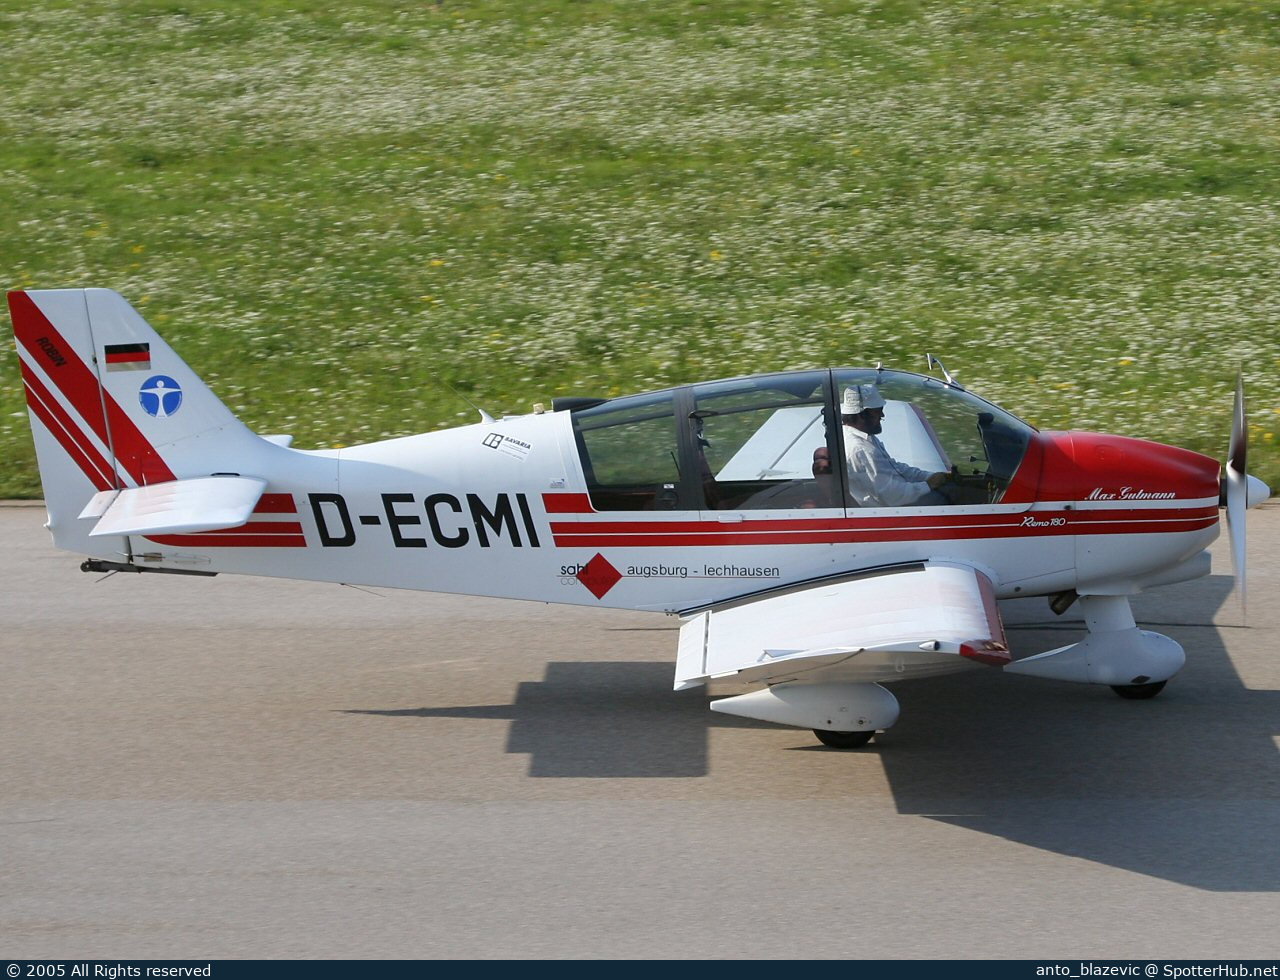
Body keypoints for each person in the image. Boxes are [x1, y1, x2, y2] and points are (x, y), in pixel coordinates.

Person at [841, 384, 951, 507]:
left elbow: (896, 469)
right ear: (861, 415)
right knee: (951, 496)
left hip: (899, 503)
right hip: (891, 511)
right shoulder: (860, 448)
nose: (882, 415)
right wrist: (929, 485)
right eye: (877, 411)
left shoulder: (865, 437)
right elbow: (893, 496)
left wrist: (931, 476)